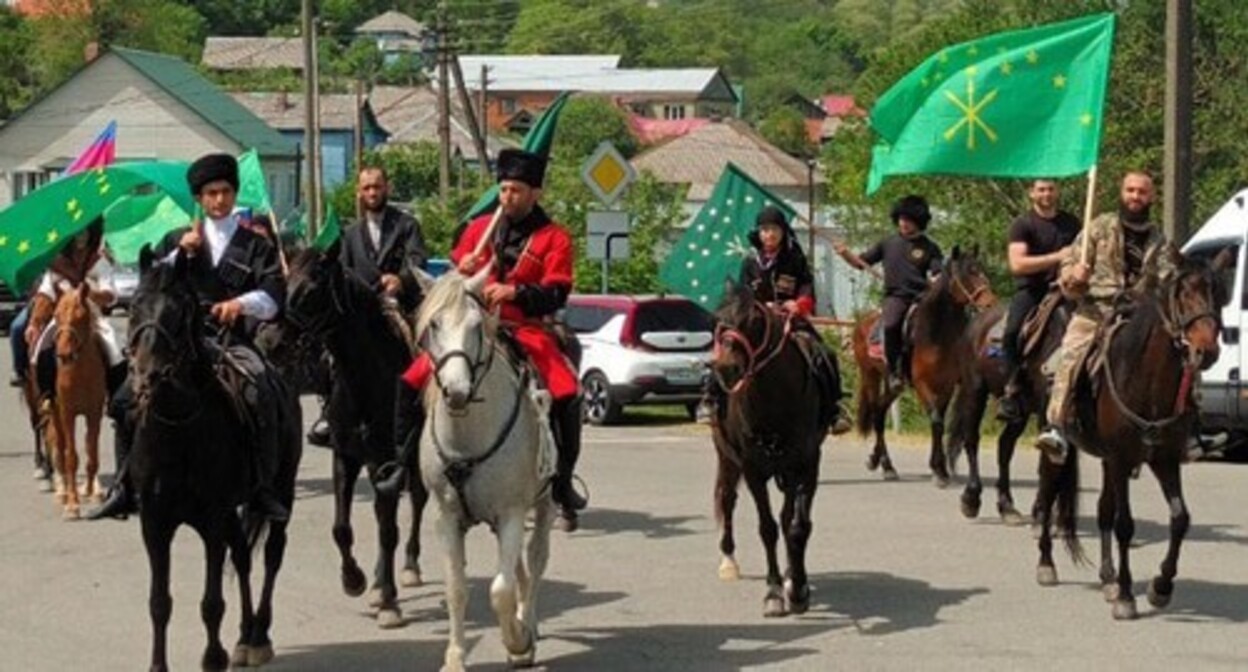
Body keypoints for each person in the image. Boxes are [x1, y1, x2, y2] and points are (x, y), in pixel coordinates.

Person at [378, 148, 587, 531]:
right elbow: (451, 286)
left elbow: (558, 292)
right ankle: (401, 463)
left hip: (523, 329)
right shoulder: (478, 230)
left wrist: (517, 294)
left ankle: (561, 480)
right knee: (410, 379)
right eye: (504, 189)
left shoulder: (553, 237)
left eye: (516, 190)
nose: (507, 197)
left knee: (566, 390)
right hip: (470, 327)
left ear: (535, 193)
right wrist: (462, 269)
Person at [87, 153, 290, 522]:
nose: (219, 200)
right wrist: (181, 253)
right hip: (177, 345)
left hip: (231, 341)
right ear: (198, 198)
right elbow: (151, 285)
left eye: (225, 192)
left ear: (234, 194)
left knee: (261, 388)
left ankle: (260, 487)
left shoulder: (256, 244)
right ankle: (123, 486)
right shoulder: (175, 241)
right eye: (211, 193)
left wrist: (240, 304)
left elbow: (274, 294)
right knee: (123, 399)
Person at [1035, 172, 1174, 465]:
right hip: (1095, 311)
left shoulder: (1159, 238)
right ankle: (1056, 426)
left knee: (1181, 351)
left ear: (1152, 197)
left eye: (1142, 192)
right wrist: (1075, 277)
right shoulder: (1099, 227)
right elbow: (1069, 270)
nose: (1135, 197)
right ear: (1121, 193)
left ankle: (1185, 427)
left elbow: (1167, 279)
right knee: (1070, 356)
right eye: (1131, 190)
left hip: (1139, 316)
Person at [305, 166, 429, 448]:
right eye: (367, 188)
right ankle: (329, 413)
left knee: (423, 348)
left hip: (399, 307)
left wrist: (401, 279)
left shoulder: (407, 225)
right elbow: (342, 272)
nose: (372, 192)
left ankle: (423, 408)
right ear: (359, 192)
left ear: (388, 188)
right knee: (329, 354)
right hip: (360, 313)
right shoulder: (349, 234)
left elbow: (418, 261)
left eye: (377, 186)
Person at [735, 205, 848, 433]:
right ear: (758, 233)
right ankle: (711, 400)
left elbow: (807, 286)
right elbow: (741, 294)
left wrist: (799, 303)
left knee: (824, 353)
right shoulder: (749, 262)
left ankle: (834, 408)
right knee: (728, 353)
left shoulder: (794, 258)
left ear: (783, 231)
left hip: (791, 319)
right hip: (758, 323)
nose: (770, 234)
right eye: (765, 229)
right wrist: (759, 305)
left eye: (775, 229)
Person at [835, 195, 944, 392]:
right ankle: (895, 371)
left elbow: (937, 272)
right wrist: (845, 254)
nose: (903, 223)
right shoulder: (887, 243)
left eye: (908, 219)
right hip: (897, 297)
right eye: (901, 218)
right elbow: (862, 263)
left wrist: (936, 281)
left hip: (921, 298)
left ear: (918, 221)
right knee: (892, 323)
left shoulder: (930, 247)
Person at [996, 179, 1081, 422]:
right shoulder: (1022, 225)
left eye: (1051, 189)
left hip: (1068, 290)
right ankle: (1011, 389)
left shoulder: (1072, 223)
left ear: (1058, 192)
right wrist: (1057, 257)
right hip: (1033, 290)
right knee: (1012, 332)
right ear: (1032, 193)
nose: (1047, 194)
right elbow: (1017, 264)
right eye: (1041, 189)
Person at [21, 219, 128, 402]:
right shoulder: (57, 262)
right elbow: (45, 294)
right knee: (40, 351)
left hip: (92, 317)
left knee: (115, 350)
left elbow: (109, 294)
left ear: (91, 233)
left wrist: (91, 292)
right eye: (77, 233)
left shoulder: (98, 261)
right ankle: (47, 396)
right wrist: (34, 323)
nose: (81, 237)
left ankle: (117, 401)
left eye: (85, 232)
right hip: (63, 318)